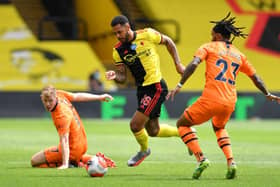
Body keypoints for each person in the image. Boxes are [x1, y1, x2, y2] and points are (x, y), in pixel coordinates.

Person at [167, 12, 280, 179]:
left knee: (182, 124)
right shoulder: (239, 55)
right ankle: (231, 161)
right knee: (219, 127)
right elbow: (256, 77)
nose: (211, 38)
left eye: (213, 35)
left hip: (211, 98)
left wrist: (179, 84)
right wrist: (267, 94)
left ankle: (201, 159)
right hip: (230, 101)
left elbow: (194, 64)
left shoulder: (208, 47)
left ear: (218, 35)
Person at [105, 15, 186, 167]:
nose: (118, 36)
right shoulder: (118, 51)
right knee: (153, 131)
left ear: (128, 27)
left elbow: (168, 41)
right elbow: (122, 77)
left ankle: (144, 151)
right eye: (115, 33)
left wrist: (178, 64)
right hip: (142, 89)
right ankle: (185, 133)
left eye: (120, 32)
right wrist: (115, 75)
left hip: (156, 86)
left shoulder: (147, 34)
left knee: (135, 125)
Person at [30, 85, 114, 169]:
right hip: (82, 143)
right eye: (45, 101)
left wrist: (65, 164)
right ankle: (90, 159)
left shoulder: (61, 115)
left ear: (55, 97)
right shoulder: (59, 94)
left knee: (35, 161)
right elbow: (77, 96)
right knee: (58, 150)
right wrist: (100, 97)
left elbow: (64, 140)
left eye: (50, 101)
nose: (48, 104)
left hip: (73, 149)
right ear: (41, 98)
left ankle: (78, 163)